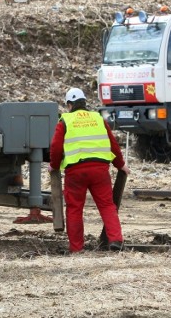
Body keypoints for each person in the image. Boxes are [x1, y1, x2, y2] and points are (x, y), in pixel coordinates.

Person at [49, 87, 130, 253]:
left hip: (76, 171)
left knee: (74, 209)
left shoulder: (65, 120)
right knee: (107, 205)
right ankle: (116, 240)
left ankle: (77, 248)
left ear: (69, 105)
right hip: (100, 170)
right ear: (84, 103)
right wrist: (120, 165)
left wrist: (54, 166)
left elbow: (56, 147)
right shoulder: (98, 118)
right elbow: (112, 144)